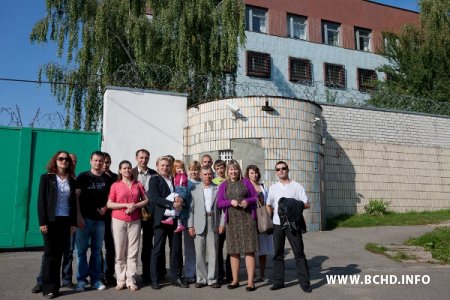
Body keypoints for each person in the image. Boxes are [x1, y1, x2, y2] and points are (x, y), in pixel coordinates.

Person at [32, 153, 78, 294]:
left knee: (59, 254)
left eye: (67, 159)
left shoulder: (71, 180)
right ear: (55, 161)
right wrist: (43, 222)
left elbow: (73, 204)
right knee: (49, 254)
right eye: (61, 159)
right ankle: (47, 288)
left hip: (65, 220)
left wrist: (73, 223)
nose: (64, 161)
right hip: (51, 221)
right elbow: (41, 202)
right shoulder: (46, 177)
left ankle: (55, 287)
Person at [266, 161, 312, 293]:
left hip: (293, 225)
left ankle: (305, 284)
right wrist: (270, 219)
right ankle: (278, 282)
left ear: (288, 169)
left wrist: (293, 204)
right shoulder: (273, 187)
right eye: (278, 169)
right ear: (276, 172)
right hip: (277, 225)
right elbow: (268, 204)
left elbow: (307, 204)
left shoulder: (297, 186)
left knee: (299, 253)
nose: (281, 171)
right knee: (278, 254)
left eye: (283, 168)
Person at [217, 160, 259, 292]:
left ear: (239, 170)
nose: (233, 171)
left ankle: (250, 282)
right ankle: (235, 280)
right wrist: (230, 202)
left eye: (235, 169)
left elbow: (255, 197)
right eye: (230, 169)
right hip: (232, 221)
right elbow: (219, 203)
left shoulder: (246, 182)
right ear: (227, 171)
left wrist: (247, 201)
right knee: (234, 251)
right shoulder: (223, 185)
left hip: (247, 220)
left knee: (249, 250)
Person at [107, 160, 149, 291]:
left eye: (129, 168)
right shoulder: (115, 185)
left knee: (133, 251)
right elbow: (109, 204)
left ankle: (131, 279)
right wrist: (126, 205)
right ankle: (120, 280)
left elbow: (146, 200)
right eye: (124, 168)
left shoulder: (138, 184)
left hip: (135, 220)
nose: (127, 170)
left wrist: (135, 206)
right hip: (119, 220)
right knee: (120, 251)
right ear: (120, 170)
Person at [149, 156, 188, 289]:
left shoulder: (174, 179)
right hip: (161, 219)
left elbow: (182, 193)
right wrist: (172, 204)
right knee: (158, 249)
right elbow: (154, 198)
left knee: (176, 249)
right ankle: (154, 279)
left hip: (176, 219)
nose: (165, 168)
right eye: (162, 165)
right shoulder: (154, 179)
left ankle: (176, 277)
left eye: (167, 165)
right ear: (157, 166)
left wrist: (182, 202)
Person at [74, 151, 111, 292]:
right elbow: (75, 198)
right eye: (95, 160)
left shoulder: (107, 179)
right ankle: (81, 280)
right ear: (90, 161)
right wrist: (78, 216)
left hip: (100, 221)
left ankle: (96, 279)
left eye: (101, 161)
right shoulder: (83, 177)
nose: (98, 163)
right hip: (84, 220)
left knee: (96, 251)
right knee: (81, 251)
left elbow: (112, 198)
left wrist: (106, 207)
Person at [187, 167, 222, 288]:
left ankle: (212, 279)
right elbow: (190, 210)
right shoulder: (194, 189)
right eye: (205, 174)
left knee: (213, 251)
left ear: (212, 175)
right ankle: (201, 278)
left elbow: (222, 210)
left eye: (209, 174)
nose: (207, 176)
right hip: (199, 223)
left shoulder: (218, 189)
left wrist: (221, 224)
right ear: (201, 176)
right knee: (199, 251)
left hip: (213, 220)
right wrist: (190, 225)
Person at [131, 149, 159, 284]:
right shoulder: (129, 172)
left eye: (146, 158)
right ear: (136, 158)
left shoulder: (154, 174)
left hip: (150, 213)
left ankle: (147, 274)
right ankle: (130, 275)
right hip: (134, 212)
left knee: (148, 245)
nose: (144, 160)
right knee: (132, 245)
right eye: (141, 158)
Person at [245, 165, 273, 283]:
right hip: (251, 218)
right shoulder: (245, 186)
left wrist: (270, 217)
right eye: (252, 173)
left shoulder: (262, 186)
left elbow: (267, 202)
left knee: (263, 249)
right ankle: (252, 275)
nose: (254, 175)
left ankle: (262, 274)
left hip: (262, 219)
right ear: (248, 174)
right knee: (251, 249)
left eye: (256, 172)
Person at [211, 159, 231, 283]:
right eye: (217, 168)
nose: (220, 170)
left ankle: (230, 273)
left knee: (230, 247)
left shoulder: (230, 181)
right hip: (218, 219)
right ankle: (219, 273)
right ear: (215, 170)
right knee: (217, 247)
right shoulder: (213, 182)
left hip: (229, 217)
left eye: (222, 167)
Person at [102, 152, 117, 286]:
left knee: (111, 247)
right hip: (96, 217)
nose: (105, 164)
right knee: (96, 249)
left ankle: (108, 274)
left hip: (112, 217)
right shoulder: (93, 177)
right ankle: (98, 274)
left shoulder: (115, 178)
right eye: (103, 161)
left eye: (107, 162)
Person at [160, 160, 187, 233]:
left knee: (170, 199)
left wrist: (183, 173)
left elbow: (184, 181)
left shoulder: (183, 175)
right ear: (174, 168)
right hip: (177, 191)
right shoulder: (174, 176)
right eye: (177, 168)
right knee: (177, 208)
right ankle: (179, 223)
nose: (179, 169)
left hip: (181, 191)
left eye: (181, 168)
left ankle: (169, 214)